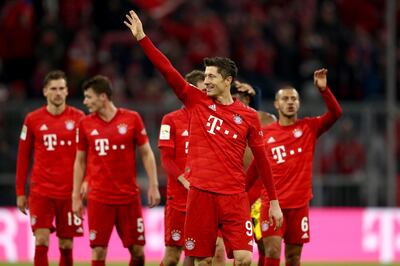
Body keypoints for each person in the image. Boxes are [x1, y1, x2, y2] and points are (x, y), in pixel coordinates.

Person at [124, 10, 283, 266]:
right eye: (205, 76)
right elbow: (168, 70)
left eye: (211, 77)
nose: (205, 81)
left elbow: (262, 160)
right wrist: (143, 38)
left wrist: (273, 202)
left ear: (227, 80)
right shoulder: (196, 102)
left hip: (234, 197)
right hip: (201, 196)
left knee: (244, 259)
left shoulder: (249, 116)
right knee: (203, 261)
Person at [246, 69, 343, 266]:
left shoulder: (309, 128)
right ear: (276, 104)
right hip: (272, 205)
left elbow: (336, 113)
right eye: (285, 99)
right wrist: (240, 193)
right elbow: (256, 168)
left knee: (293, 257)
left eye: (293, 99)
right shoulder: (266, 134)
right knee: (272, 250)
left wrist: (324, 90)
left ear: (299, 103)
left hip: (299, 206)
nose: (290, 102)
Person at [72, 75, 161, 266]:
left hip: (128, 197)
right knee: (98, 251)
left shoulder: (132, 118)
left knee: (137, 251)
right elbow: (80, 161)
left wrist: (153, 185)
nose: (85, 101)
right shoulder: (85, 124)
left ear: (103, 96)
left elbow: (146, 153)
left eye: (89, 97)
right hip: (99, 198)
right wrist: (75, 195)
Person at [15, 70, 85, 266]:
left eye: (61, 88)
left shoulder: (79, 118)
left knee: (66, 244)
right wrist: (20, 191)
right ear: (45, 91)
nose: (58, 93)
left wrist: (86, 182)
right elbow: (23, 157)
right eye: (53, 89)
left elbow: (87, 157)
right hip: (41, 191)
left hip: (69, 192)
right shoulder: (32, 120)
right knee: (42, 239)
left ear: (67, 91)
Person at [158, 70, 205, 266]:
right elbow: (166, 160)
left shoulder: (210, 119)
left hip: (204, 198)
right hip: (178, 198)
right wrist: (185, 181)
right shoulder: (171, 119)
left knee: (197, 255)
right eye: (203, 90)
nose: (206, 94)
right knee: (172, 256)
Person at [230, 81, 276, 266]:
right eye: (233, 97)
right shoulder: (223, 117)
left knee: (265, 244)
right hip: (233, 189)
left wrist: (256, 93)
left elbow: (255, 119)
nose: (235, 101)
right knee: (237, 251)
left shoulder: (266, 119)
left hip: (258, 191)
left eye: (241, 97)